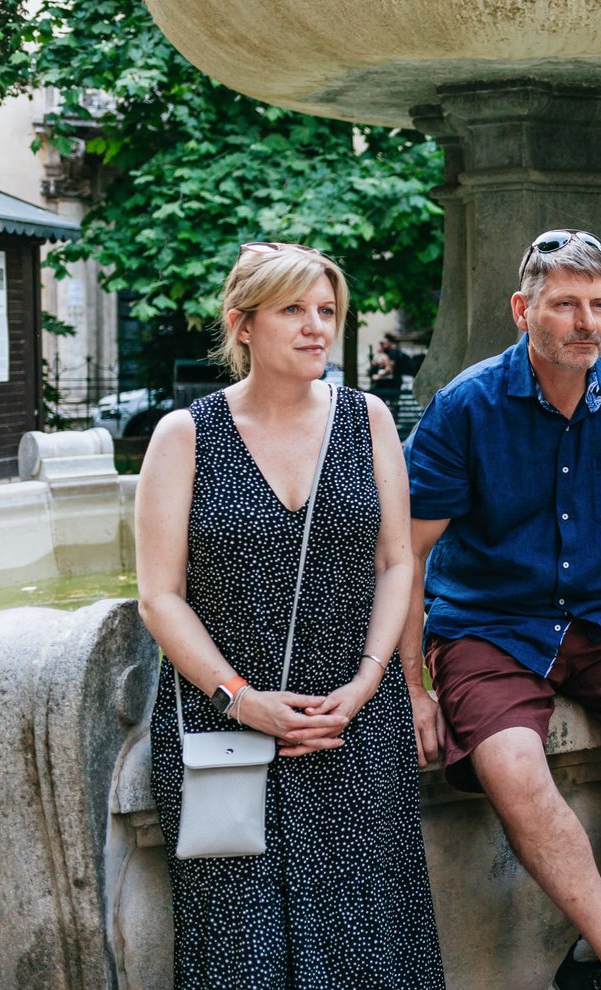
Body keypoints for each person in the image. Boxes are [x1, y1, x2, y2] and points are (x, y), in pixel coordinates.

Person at [400, 228, 601, 990]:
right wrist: (412, 684)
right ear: (523, 310)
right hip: (489, 622)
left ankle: (596, 956)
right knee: (511, 762)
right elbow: (407, 557)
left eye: (600, 305)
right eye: (566, 305)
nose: (587, 322)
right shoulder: (464, 407)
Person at [137, 242, 445, 988]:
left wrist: (374, 681)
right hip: (225, 728)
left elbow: (397, 560)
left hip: (352, 721)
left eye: (327, 311)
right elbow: (159, 595)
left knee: (370, 946)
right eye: (293, 311)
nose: (317, 328)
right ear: (243, 326)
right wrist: (242, 700)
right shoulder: (186, 436)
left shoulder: (365, 419)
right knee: (239, 954)